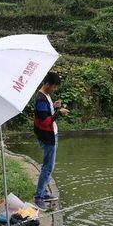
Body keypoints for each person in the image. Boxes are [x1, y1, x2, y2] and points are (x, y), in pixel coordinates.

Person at [33, 72, 69, 210]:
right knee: (47, 167)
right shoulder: (40, 99)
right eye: (54, 87)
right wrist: (59, 113)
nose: (54, 89)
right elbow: (45, 121)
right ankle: (39, 197)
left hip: (51, 133)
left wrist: (54, 106)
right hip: (47, 136)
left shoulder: (46, 96)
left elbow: (47, 114)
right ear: (47, 84)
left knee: (50, 166)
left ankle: (43, 193)